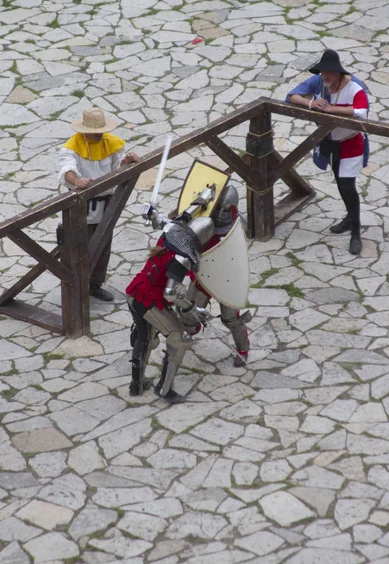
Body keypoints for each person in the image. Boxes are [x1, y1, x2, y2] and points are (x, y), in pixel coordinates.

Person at [144, 184, 251, 367]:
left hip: (227, 279)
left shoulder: (236, 229)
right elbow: (175, 227)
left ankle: (243, 348)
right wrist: (156, 217)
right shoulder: (202, 221)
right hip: (203, 278)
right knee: (187, 317)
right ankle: (186, 339)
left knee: (231, 319)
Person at [287, 49, 369, 255]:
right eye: (323, 72)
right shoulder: (319, 81)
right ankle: (350, 219)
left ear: (339, 73)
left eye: (329, 73)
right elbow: (291, 96)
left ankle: (356, 233)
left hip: (351, 143)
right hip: (331, 142)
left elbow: (362, 111)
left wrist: (334, 110)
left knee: (347, 185)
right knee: (340, 182)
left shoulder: (355, 87)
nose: (325, 76)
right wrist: (310, 103)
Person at [126, 216, 215, 404]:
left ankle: (137, 385)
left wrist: (204, 197)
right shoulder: (182, 259)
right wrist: (191, 308)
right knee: (180, 339)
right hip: (148, 300)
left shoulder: (171, 229)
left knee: (146, 339)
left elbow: (171, 218)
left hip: (136, 291)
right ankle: (165, 390)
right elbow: (169, 294)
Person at [58, 107, 139, 301]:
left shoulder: (110, 144)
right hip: (82, 206)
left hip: (105, 204)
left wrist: (127, 162)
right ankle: (75, 285)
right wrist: (77, 181)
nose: (98, 135)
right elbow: (66, 169)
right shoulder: (72, 147)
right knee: (79, 245)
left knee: (103, 244)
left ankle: (94, 284)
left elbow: (116, 169)